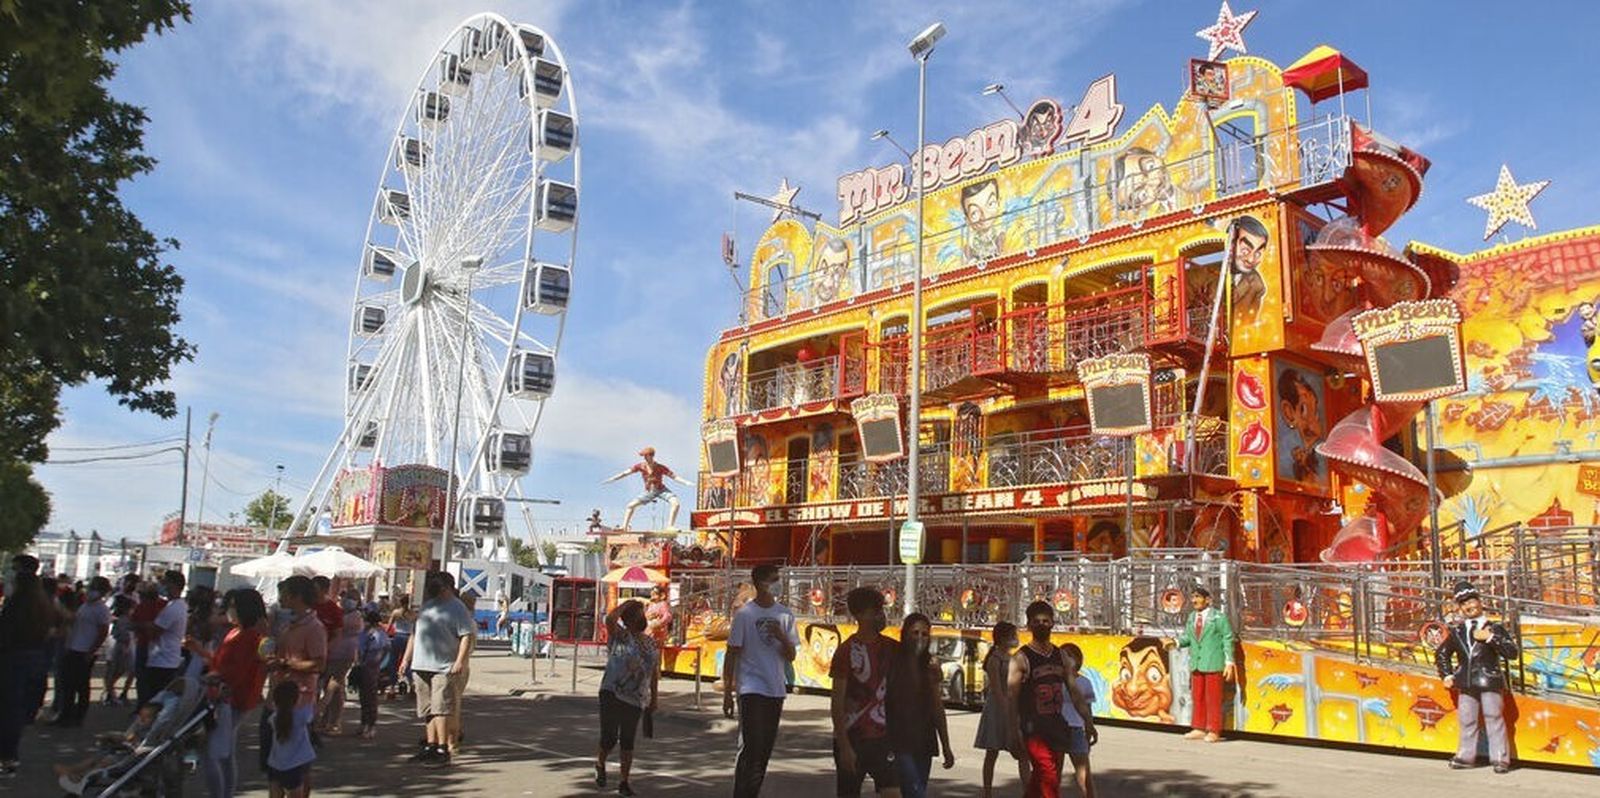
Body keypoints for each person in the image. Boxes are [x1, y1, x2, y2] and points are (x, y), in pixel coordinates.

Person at [724, 563, 798, 798]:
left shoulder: (785, 614)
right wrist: (728, 690)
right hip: (751, 688)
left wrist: (781, 636)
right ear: (760, 583)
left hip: (775, 689)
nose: (777, 583)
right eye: (773, 579)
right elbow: (732, 652)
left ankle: (751, 791)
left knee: (764, 749)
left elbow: (791, 656)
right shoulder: (746, 614)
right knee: (752, 746)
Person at [1009, 601, 1095, 798]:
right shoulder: (1022, 658)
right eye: (1036, 621)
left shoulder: (1060, 656)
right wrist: (1013, 732)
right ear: (1029, 625)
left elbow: (1075, 692)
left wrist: (1088, 722)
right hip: (1033, 729)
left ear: (1053, 623)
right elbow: (1011, 699)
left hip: (1056, 726)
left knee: (1040, 779)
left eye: (1046, 621)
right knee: (1049, 777)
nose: (1042, 625)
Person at [1435, 580, 1519, 774]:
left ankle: (1500, 758)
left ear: (1480, 602)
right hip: (1466, 681)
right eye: (1464, 604)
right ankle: (1466, 755)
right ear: (1460, 607)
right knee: (1467, 719)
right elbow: (1442, 653)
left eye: (1471, 601)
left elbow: (1511, 652)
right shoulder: (1457, 631)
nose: (1469, 606)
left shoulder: (1494, 628)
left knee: (1494, 716)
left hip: (1489, 679)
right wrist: (1446, 674)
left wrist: (1490, 638)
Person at [195, 589, 267, 798]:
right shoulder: (234, 632)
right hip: (223, 697)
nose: (229, 611)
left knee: (213, 753)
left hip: (233, 700)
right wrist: (200, 652)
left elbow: (237, 672)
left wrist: (213, 678)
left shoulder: (250, 636)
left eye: (233, 606)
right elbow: (219, 662)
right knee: (225, 753)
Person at [398, 570, 474, 768]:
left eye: (437, 583)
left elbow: (466, 635)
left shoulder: (457, 608)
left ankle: (443, 748)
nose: (432, 586)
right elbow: (415, 634)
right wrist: (406, 659)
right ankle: (430, 745)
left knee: (441, 708)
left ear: (447, 587)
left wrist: (460, 661)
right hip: (421, 664)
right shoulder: (427, 606)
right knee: (427, 709)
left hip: (443, 666)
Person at [829, 586, 899, 798]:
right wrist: (844, 746)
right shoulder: (846, 651)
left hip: (885, 739)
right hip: (854, 738)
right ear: (860, 614)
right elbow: (837, 702)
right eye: (875, 610)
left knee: (893, 792)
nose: (881, 615)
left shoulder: (893, 648)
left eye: (881, 610)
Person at [595, 600, 660, 797]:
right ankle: (600, 762)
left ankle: (624, 781)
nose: (643, 618)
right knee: (609, 737)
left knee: (627, 740)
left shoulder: (649, 642)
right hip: (612, 692)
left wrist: (654, 698)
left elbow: (653, 672)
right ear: (630, 619)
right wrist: (628, 604)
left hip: (635, 698)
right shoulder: (620, 636)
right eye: (639, 615)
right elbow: (609, 618)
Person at [885, 613, 955, 798]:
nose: (920, 638)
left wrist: (946, 746)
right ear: (905, 633)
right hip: (898, 740)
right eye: (915, 633)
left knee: (918, 789)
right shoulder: (893, 661)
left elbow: (937, 708)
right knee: (914, 790)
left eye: (925, 634)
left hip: (924, 740)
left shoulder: (930, 666)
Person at [264, 576, 325, 782]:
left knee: (294, 768)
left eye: (284, 593)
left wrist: (286, 664)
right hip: (278, 697)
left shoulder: (313, 627)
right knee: (276, 765)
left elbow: (318, 664)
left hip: (298, 701)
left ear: (296, 596)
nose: (281, 597)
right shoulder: (289, 624)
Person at [0, 570, 53, 778]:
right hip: (34, 657)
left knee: (7, 709)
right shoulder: (43, 605)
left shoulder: (16, 605)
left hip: (13, 658)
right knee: (16, 709)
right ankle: (9, 757)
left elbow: (5, 634)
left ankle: (6, 757)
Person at [1170, 586, 1236, 743]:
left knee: (1213, 698)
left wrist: (1229, 662)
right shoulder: (1192, 617)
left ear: (1208, 600)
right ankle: (1198, 727)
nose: (1194, 600)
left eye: (1198, 597)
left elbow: (1228, 638)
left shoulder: (1218, 618)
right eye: (1193, 597)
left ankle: (1214, 729)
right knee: (1197, 696)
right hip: (1197, 663)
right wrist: (1176, 642)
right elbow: (1188, 637)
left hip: (1213, 662)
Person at [975, 621, 1028, 798]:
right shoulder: (994, 659)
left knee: (1022, 753)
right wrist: (1010, 715)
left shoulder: (1012, 657)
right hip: (998, 710)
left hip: (1012, 706)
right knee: (992, 752)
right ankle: (987, 792)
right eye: (1013, 635)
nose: (1016, 639)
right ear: (1004, 638)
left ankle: (1028, 791)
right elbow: (997, 691)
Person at [57, 576, 113, 727]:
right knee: (67, 684)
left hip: (85, 650)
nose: (90, 591)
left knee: (81, 685)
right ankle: (65, 714)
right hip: (73, 647)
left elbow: (103, 632)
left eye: (94, 588)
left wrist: (91, 651)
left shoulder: (101, 609)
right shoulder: (85, 606)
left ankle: (78, 717)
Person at [603, 446, 694, 531]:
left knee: (676, 503)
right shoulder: (640, 466)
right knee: (630, 506)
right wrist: (613, 479)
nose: (644, 458)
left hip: (661, 490)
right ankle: (625, 527)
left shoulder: (660, 467)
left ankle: (670, 526)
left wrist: (686, 482)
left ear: (651, 456)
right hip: (649, 491)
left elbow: (674, 477)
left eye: (646, 456)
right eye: (643, 456)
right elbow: (625, 473)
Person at [317, 591, 363, 735]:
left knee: (335, 686)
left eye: (351, 598)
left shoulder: (355, 616)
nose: (346, 600)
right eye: (345, 597)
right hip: (332, 652)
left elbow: (339, 626)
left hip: (345, 653)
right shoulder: (340, 613)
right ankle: (326, 720)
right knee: (330, 686)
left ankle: (334, 722)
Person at [141, 570, 189, 704]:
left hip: (162, 660)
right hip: (166, 659)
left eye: (165, 583)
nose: (163, 586)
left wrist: (142, 626)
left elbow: (155, 631)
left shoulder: (173, 608)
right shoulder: (177, 605)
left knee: (155, 700)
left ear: (174, 585)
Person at [1057, 643, 1097, 798]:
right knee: (1054, 774)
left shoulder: (1084, 682)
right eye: (1064, 655)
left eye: (1071, 656)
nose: (1068, 660)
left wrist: (1089, 726)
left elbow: (1087, 707)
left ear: (1078, 660)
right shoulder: (1055, 681)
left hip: (1076, 729)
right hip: (1057, 729)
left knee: (1084, 775)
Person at [266, 681, 315, 798]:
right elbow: (316, 708)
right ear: (296, 699)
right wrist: (313, 695)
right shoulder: (301, 715)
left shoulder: (274, 718)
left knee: (274, 794)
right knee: (300, 792)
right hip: (297, 763)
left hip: (275, 764)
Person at [130, 580, 167, 704]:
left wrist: (144, 626)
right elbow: (133, 623)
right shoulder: (162, 605)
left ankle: (147, 704)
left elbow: (133, 624)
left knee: (146, 678)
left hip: (153, 646)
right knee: (143, 678)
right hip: (146, 644)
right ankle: (143, 704)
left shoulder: (162, 605)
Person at [355, 610, 387, 739]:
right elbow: (358, 648)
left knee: (371, 697)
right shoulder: (363, 633)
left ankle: (371, 725)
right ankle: (363, 722)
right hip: (363, 665)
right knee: (363, 696)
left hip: (372, 667)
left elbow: (381, 651)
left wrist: (378, 666)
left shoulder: (378, 634)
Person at [104, 594, 135, 705]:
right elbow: (121, 634)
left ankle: (110, 690)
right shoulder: (122, 619)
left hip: (123, 646)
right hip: (120, 646)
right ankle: (109, 690)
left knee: (121, 669)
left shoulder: (124, 619)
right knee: (117, 669)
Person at [645, 584, 673, 650]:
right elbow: (647, 614)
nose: (652, 597)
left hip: (658, 630)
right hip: (649, 630)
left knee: (656, 648)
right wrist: (648, 616)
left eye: (655, 595)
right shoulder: (651, 605)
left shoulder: (663, 604)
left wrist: (660, 623)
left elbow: (667, 616)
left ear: (662, 596)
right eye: (652, 595)